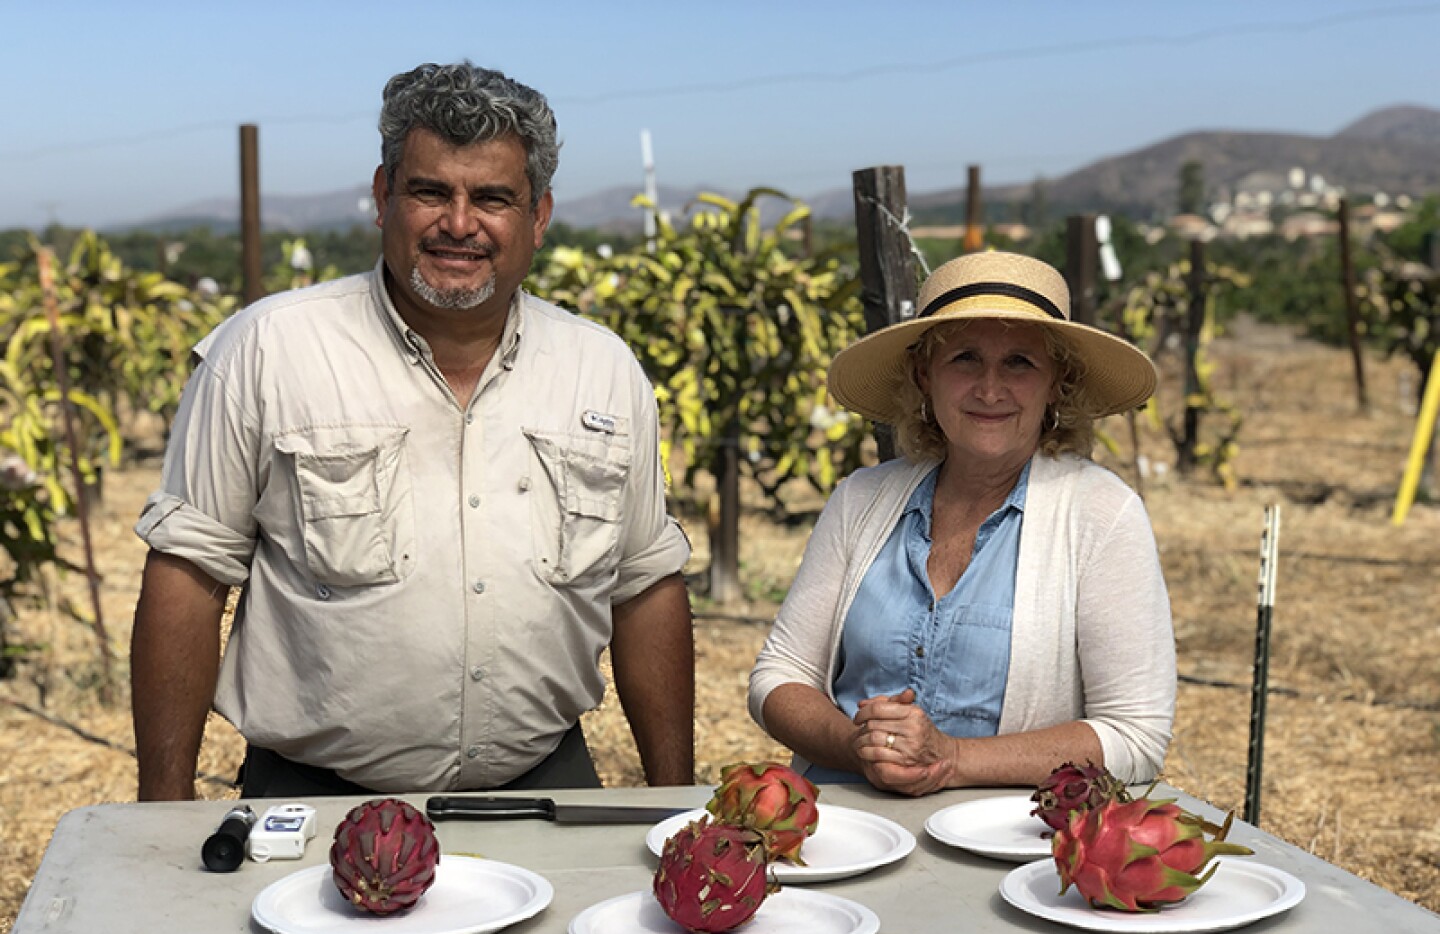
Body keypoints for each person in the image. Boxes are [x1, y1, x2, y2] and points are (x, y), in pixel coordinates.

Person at [131, 61, 695, 801]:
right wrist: (163, 811)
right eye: (430, 192)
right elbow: (188, 576)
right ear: (382, 196)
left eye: (492, 198)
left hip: (544, 791)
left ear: (539, 216)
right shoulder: (266, 351)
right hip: (315, 801)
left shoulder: (604, 370)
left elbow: (646, 587)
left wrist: (674, 802)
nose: (459, 224)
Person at [749, 250, 1175, 798]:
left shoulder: (1102, 514)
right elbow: (778, 677)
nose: (990, 389)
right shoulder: (861, 500)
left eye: (1019, 362)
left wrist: (951, 760)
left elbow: (1136, 735)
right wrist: (859, 747)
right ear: (924, 375)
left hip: (1012, 836)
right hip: (844, 826)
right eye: (965, 359)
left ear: (1057, 382)